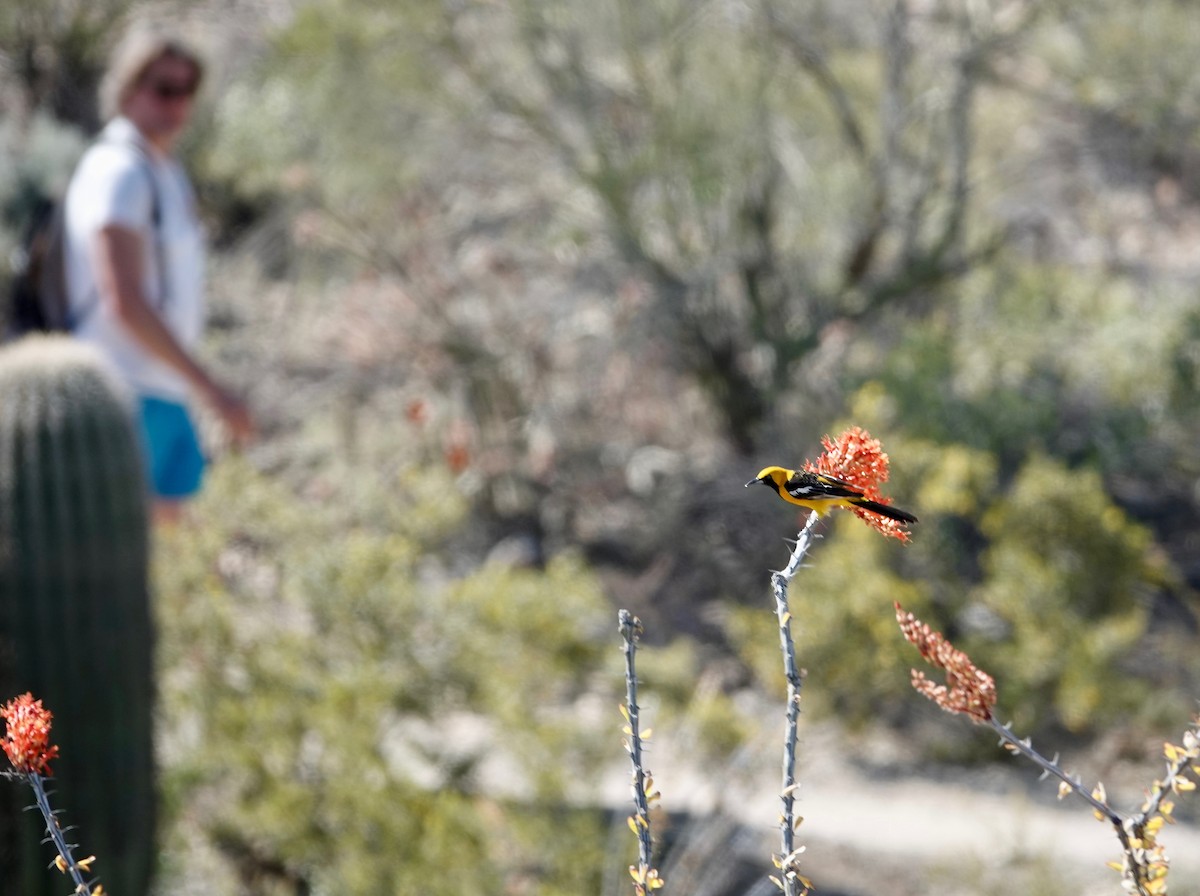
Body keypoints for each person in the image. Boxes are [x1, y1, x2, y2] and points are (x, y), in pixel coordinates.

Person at [63, 28, 252, 522]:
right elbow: (122, 298)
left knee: (171, 558)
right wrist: (211, 387)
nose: (177, 104)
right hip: (121, 391)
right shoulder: (118, 170)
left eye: (187, 91)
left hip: (166, 390)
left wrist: (193, 384)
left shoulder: (164, 171)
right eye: (164, 88)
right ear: (129, 89)